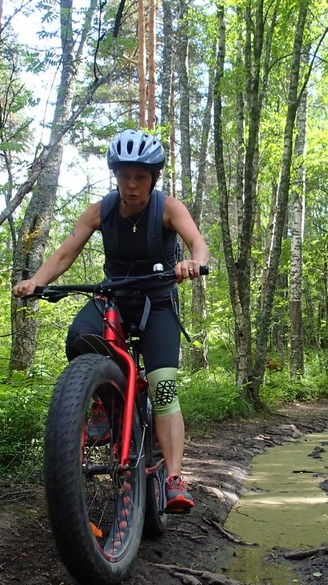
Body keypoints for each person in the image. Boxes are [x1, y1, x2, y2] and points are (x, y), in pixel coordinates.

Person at [12, 129, 209, 512]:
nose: (132, 185)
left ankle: (173, 477)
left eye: (140, 176)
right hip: (115, 298)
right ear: (114, 175)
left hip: (157, 302)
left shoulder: (169, 208)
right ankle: (106, 403)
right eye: (124, 176)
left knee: (164, 387)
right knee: (80, 335)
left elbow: (197, 243)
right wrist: (36, 281)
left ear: (152, 178)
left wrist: (192, 263)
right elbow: (65, 253)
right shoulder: (100, 211)